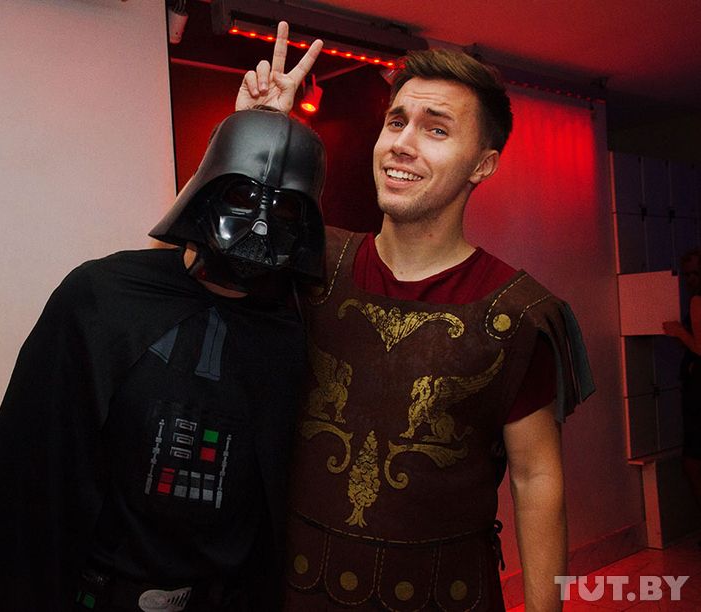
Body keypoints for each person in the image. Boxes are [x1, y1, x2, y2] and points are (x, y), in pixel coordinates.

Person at [237, 22, 594, 611]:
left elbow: (536, 478)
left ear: (483, 165)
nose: (402, 143)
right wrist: (249, 139)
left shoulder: (519, 315)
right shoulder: (310, 260)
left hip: (445, 595)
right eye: (396, 121)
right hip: (300, 590)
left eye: (436, 129)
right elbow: (185, 270)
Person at [0, 91, 327, 610]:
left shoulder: (295, 334)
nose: (259, 225)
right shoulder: (102, 298)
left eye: (283, 208)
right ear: (205, 193)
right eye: (240, 196)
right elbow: (32, 479)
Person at [663, 248, 701, 513]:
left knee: (693, 462)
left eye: (695, 273)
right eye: (687, 274)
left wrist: (679, 331)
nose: (690, 280)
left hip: (698, 391)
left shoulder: (697, 300)